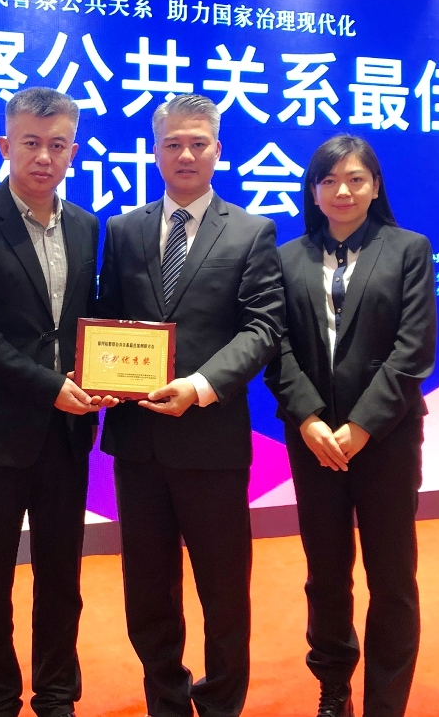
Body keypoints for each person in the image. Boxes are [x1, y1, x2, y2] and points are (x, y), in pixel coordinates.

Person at [95, 93, 285, 717]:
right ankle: (167, 699)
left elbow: (262, 328)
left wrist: (201, 385)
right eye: (172, 143)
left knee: (223, 588)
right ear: (155, 151)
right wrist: (101, 374)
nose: (185, 154)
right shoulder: (122, 230)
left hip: (212, 439)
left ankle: (223, 701)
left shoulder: (252, 231)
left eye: (197, 143)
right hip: (139, 441)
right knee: (148, 589)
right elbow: (108, 321)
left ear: (218, 150)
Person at [0, 87, 105, 717]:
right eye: (31, 143)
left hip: (66, 435)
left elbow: (87, 322)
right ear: (6, 145)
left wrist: (108, 374)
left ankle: (57, 693)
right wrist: (49, 386)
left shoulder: (87, 226)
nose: (44, 157)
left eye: (57, 145)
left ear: (72, 152)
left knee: (62, 577)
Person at [264, 135, 437, 717]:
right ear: (313, 190)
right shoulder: (286, 258)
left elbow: (413, 350)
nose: (343, 190)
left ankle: (385, 702)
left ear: (375, 186)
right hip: (314, 442)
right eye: (330, 180)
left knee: (392, 577)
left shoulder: (409, 249)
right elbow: (275, 346)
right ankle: (333, 686)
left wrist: (361, 425)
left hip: (385, 439)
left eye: (356, 179)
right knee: (326, 574)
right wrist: (308, 417)